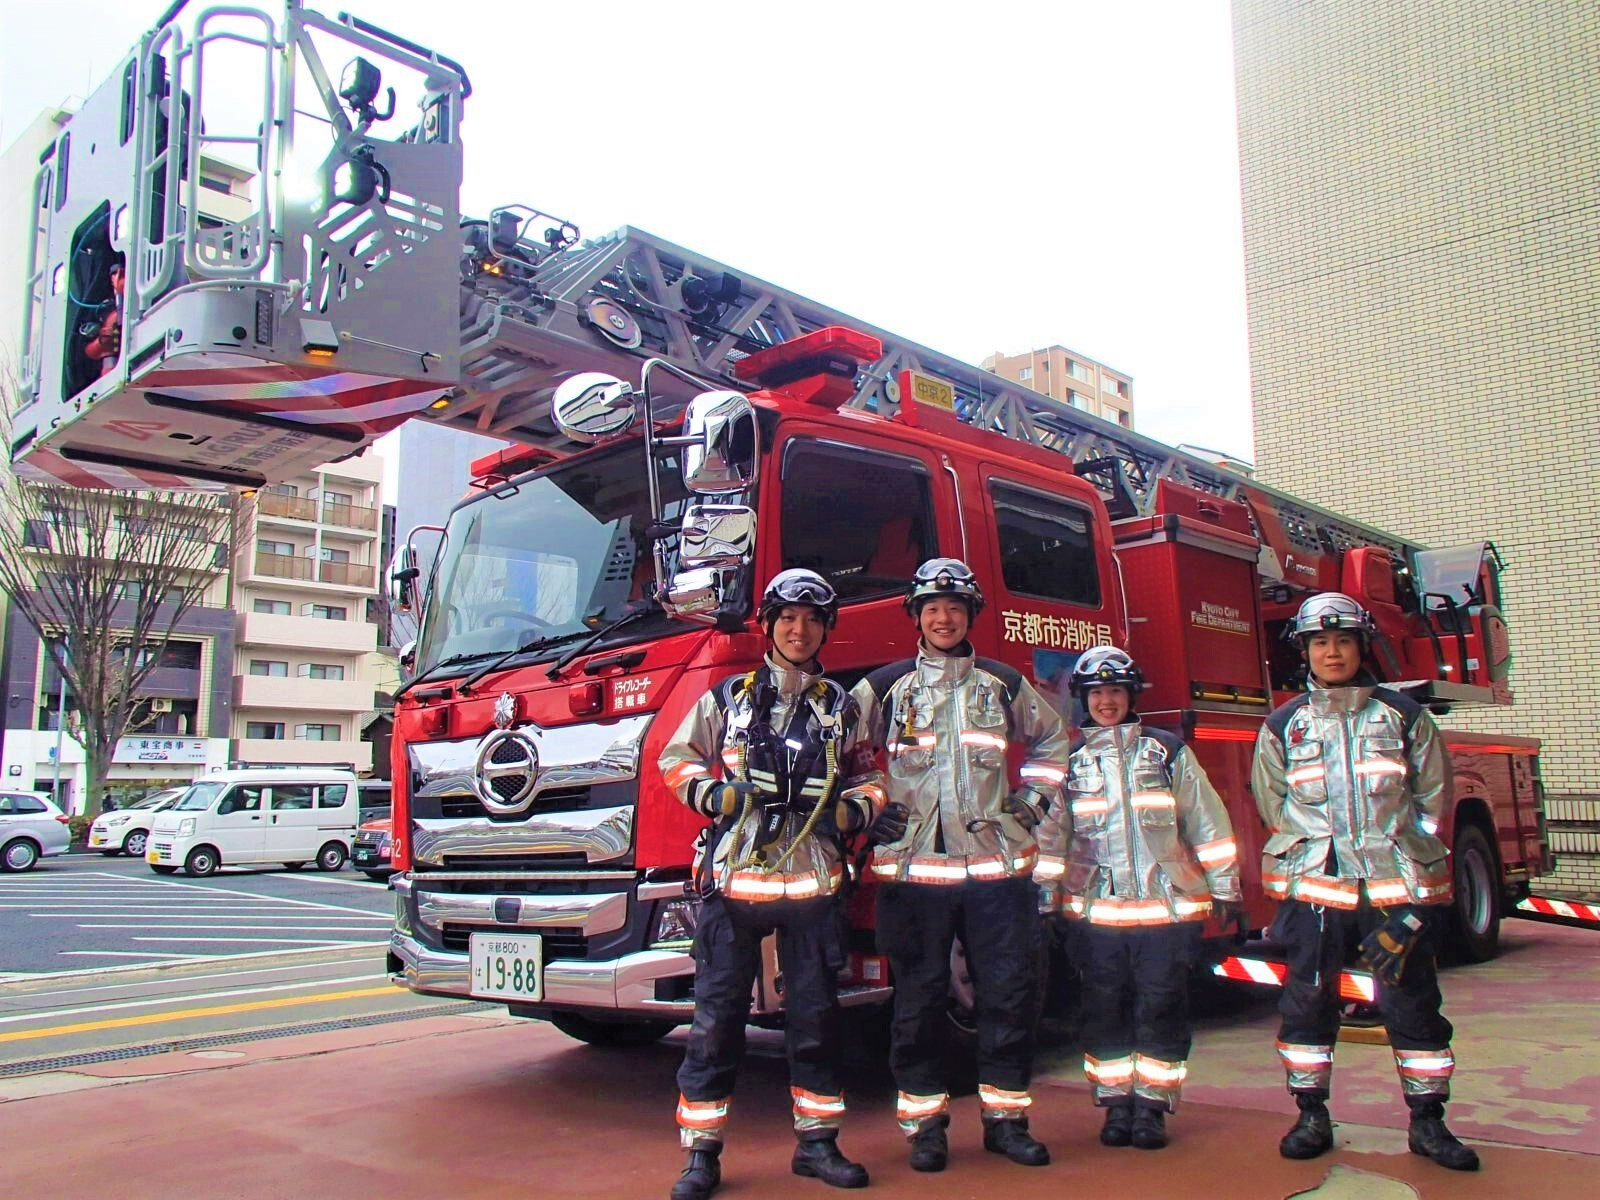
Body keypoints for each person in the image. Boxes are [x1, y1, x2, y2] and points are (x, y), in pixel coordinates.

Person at [659, 568, 885, 1199]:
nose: (799, 629)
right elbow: (674, 758)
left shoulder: (842, 707)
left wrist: (855, 810)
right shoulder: (728, 699)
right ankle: (701, 1154)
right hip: (736, 886)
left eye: (812, 620)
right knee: (715, 1021)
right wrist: (713, 796)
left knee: (816, 1020)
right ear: (768, 626)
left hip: (814, 886)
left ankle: (818, 1145)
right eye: (787, 618)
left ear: (825, 629)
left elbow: (870, 775)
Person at [850, 558, 1070, 1172]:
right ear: (916, 617)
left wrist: (1031, 802)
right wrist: (869, 806)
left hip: (997, 873)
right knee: (917, 1004)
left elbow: (1054, 740)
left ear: (970, 614)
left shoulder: (1001, 683)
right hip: (914, 876)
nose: (943, 618)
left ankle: (1007, 1123)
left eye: (954, 607)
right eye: (931, 608)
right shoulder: (886, 686)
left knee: (1008, 997)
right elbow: (835, 749)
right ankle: (925, 1130)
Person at [1251, 592, 1478, 1171]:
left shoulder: (1404, 717)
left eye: (1343, 641)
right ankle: (1311, 1115)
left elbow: (1431, 807)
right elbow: (1275, 810)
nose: (1332, 653)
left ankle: (1428, 1123)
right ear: (1305, 651)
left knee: (1414, 1004)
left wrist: (1416, 887)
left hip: (1390, 891)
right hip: (1316, 894)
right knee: (1307, 1004)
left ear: (1361, 647)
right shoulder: (1283, 725)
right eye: (1320, 643)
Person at [1035, 646, 1241, 1151]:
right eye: (1097, 693)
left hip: (1165, 914)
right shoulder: (1070, 764)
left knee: (1161, 1006)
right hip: (1096, 917)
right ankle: (1115, 1106)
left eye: (1116, 691)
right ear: (1084, 700)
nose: (1106, 701)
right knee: (1102, 1009)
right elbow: (1051, 838)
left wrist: (1225, 886)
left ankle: (1152, 1108)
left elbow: (1206, 822)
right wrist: (1045, 900)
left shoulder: (1167, 753)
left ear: (1131, 696)